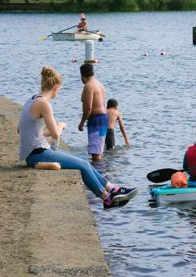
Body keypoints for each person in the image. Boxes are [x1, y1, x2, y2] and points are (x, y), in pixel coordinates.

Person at [18, 66, 136, 209]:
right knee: (83, 164)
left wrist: (47, 131)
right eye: (60, 89)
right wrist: (61, 126)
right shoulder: (44, 104)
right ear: (55, 87)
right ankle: (107, 198)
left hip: (33, 153)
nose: (59, 91)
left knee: (82, 162)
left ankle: (113, 189)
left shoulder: (31, 99)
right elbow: (55, 133)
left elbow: (21, 129)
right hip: (38, 154)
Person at [78, 63, 107, 162]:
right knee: (99, 151)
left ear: (82, 75)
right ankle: (102, 173)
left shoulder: (88, 86)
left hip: (96, 120)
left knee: (95, 154)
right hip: (103, 119)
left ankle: (98, 173)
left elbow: (88, 108)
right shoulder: (99, 84)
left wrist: (82, 122)